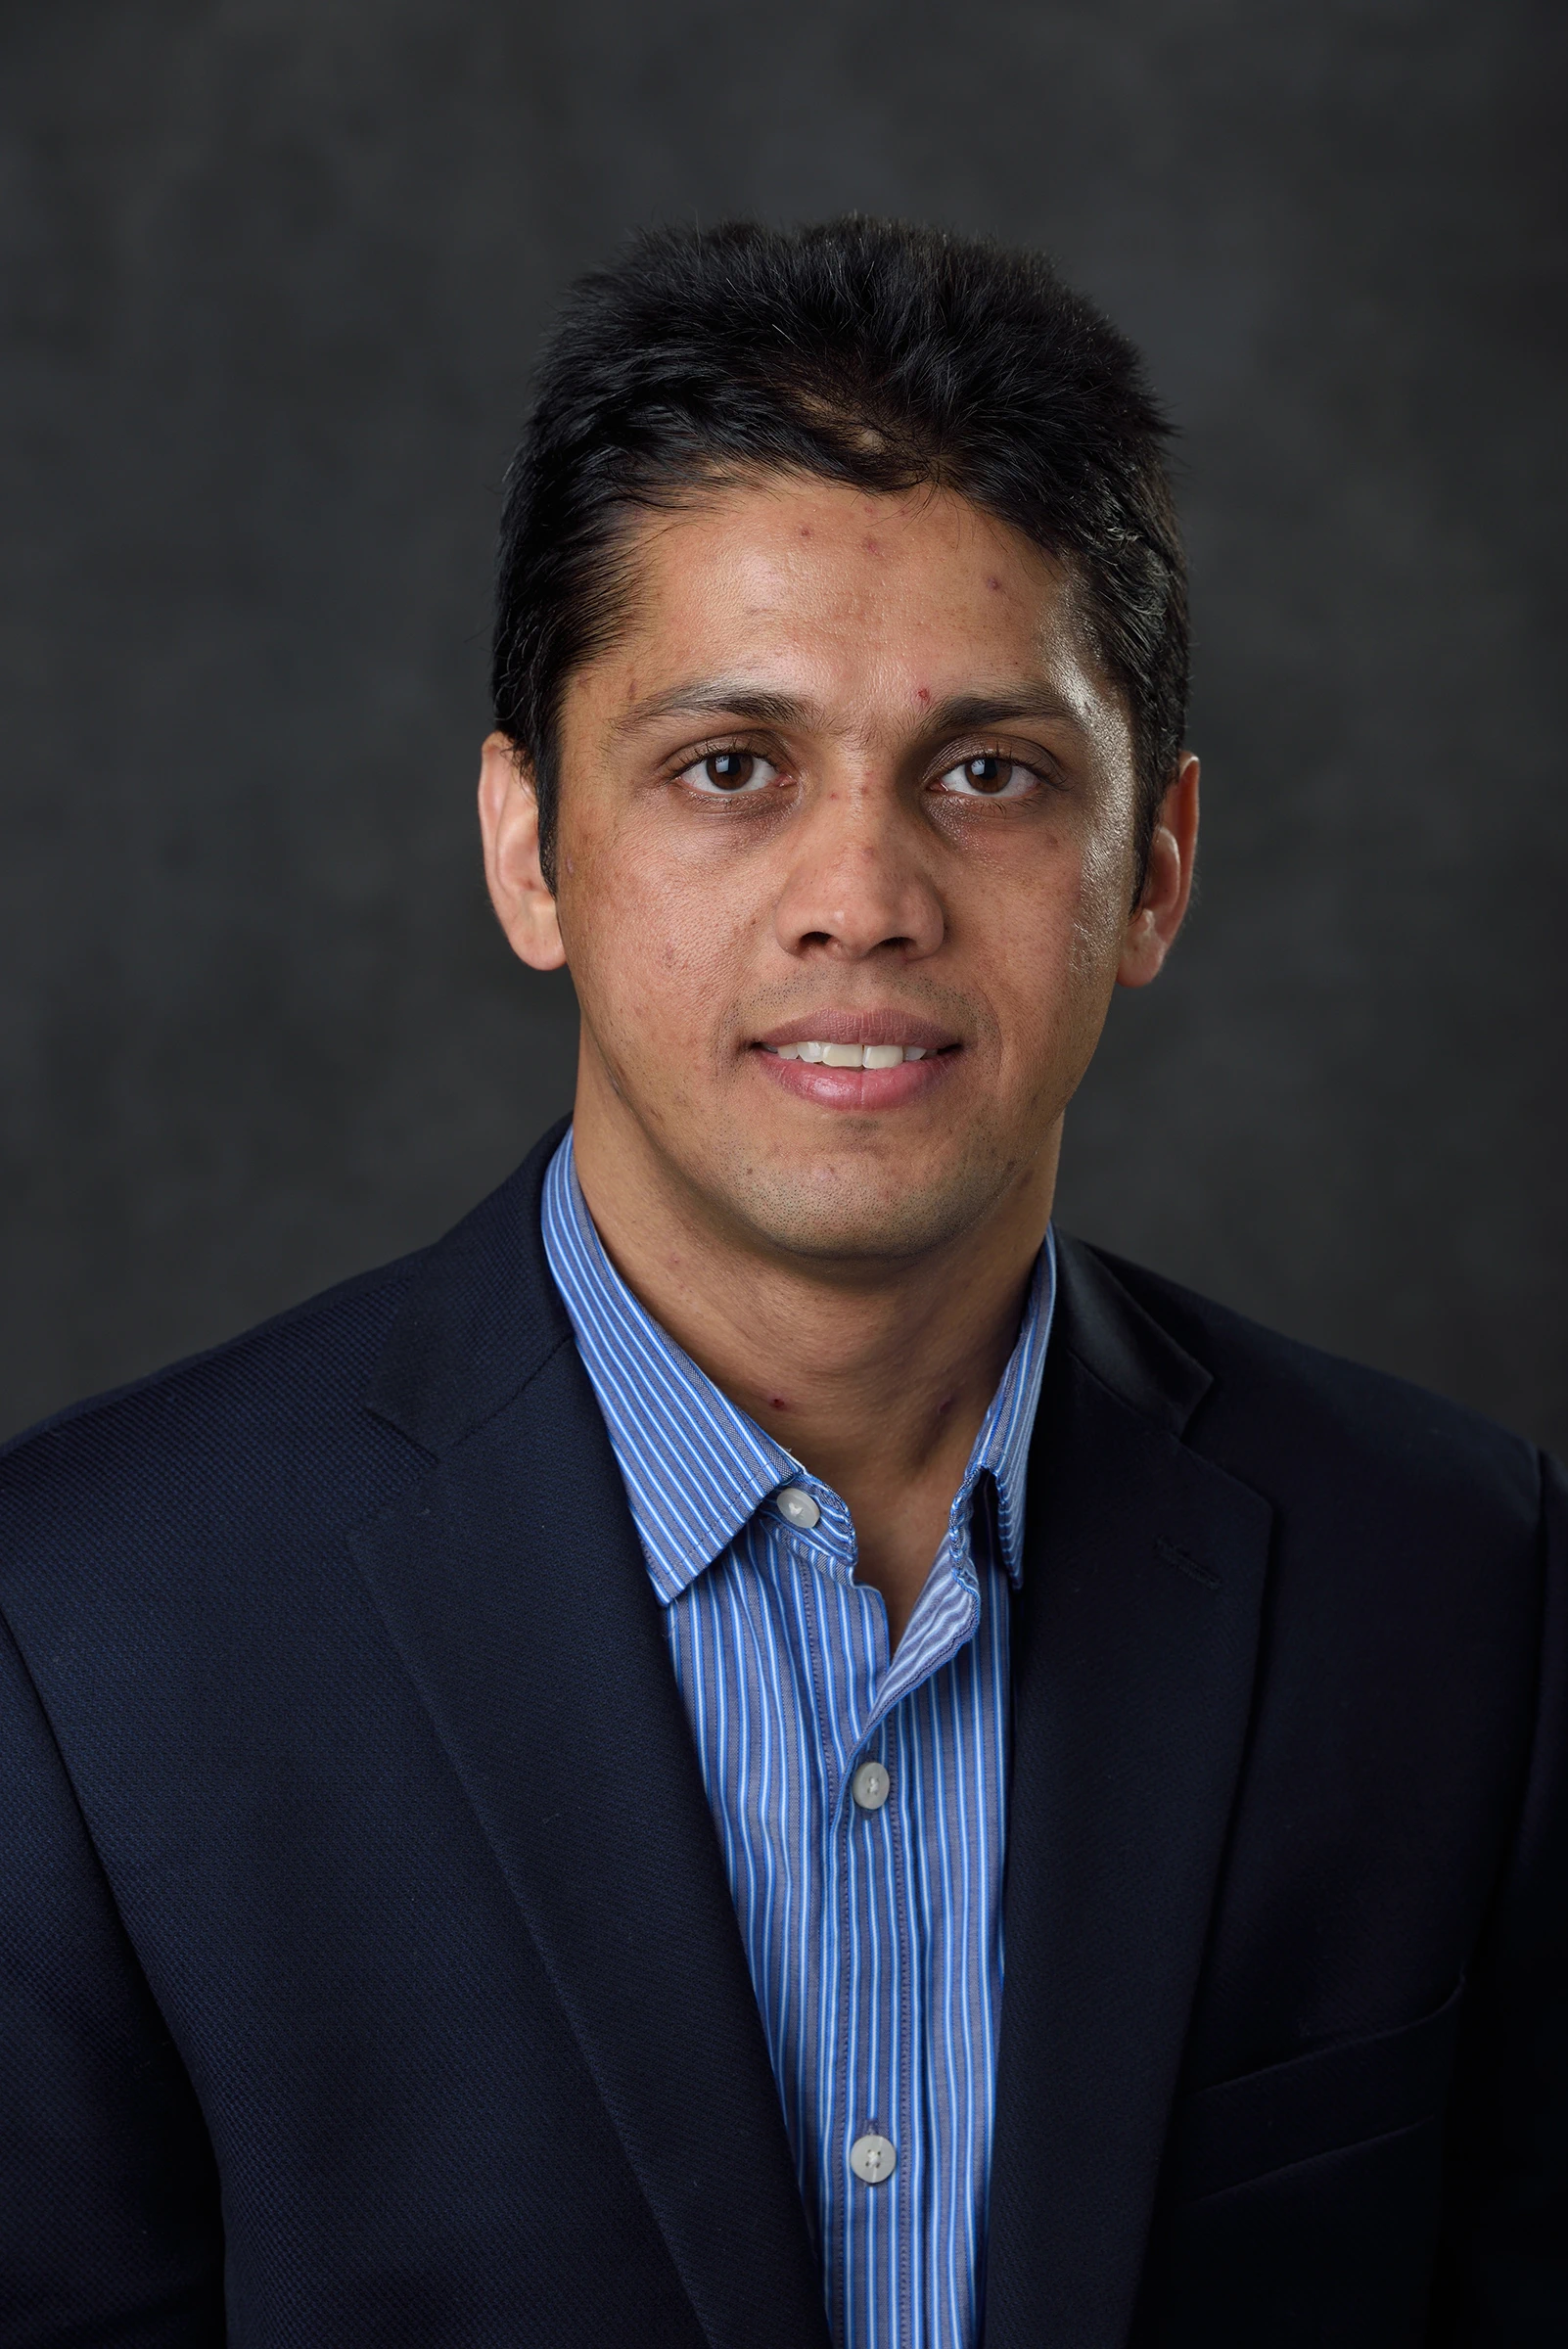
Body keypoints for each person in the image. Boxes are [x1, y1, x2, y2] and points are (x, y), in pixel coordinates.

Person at [0, 218, 1561, 2349]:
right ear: (530, 848)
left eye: (989, 773)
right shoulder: (85, 1643)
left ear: (1156, 868)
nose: (862, 898)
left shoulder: (1468, 1591)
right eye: (729, 766)